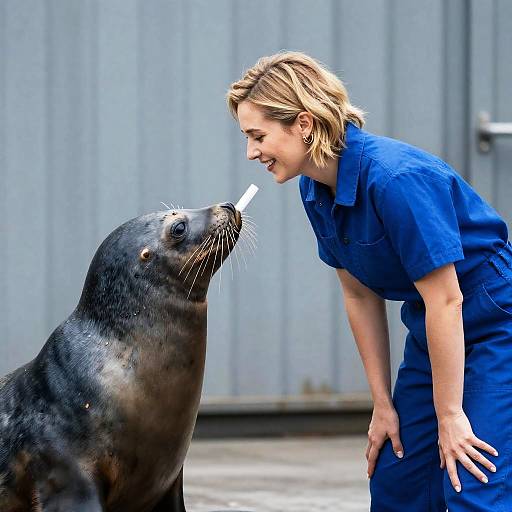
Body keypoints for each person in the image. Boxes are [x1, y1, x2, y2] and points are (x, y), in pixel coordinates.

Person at [226, 51, 512, 511]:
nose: (251, 152)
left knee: (471, 476)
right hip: (434, 326)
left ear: (303, 122)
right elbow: (358, 293)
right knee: (398, 477)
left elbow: (446, 300)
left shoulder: (397, 178)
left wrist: (450, 414)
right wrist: (383, 404)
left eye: (258, 136)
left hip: (495, 318)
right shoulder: (315, 188)